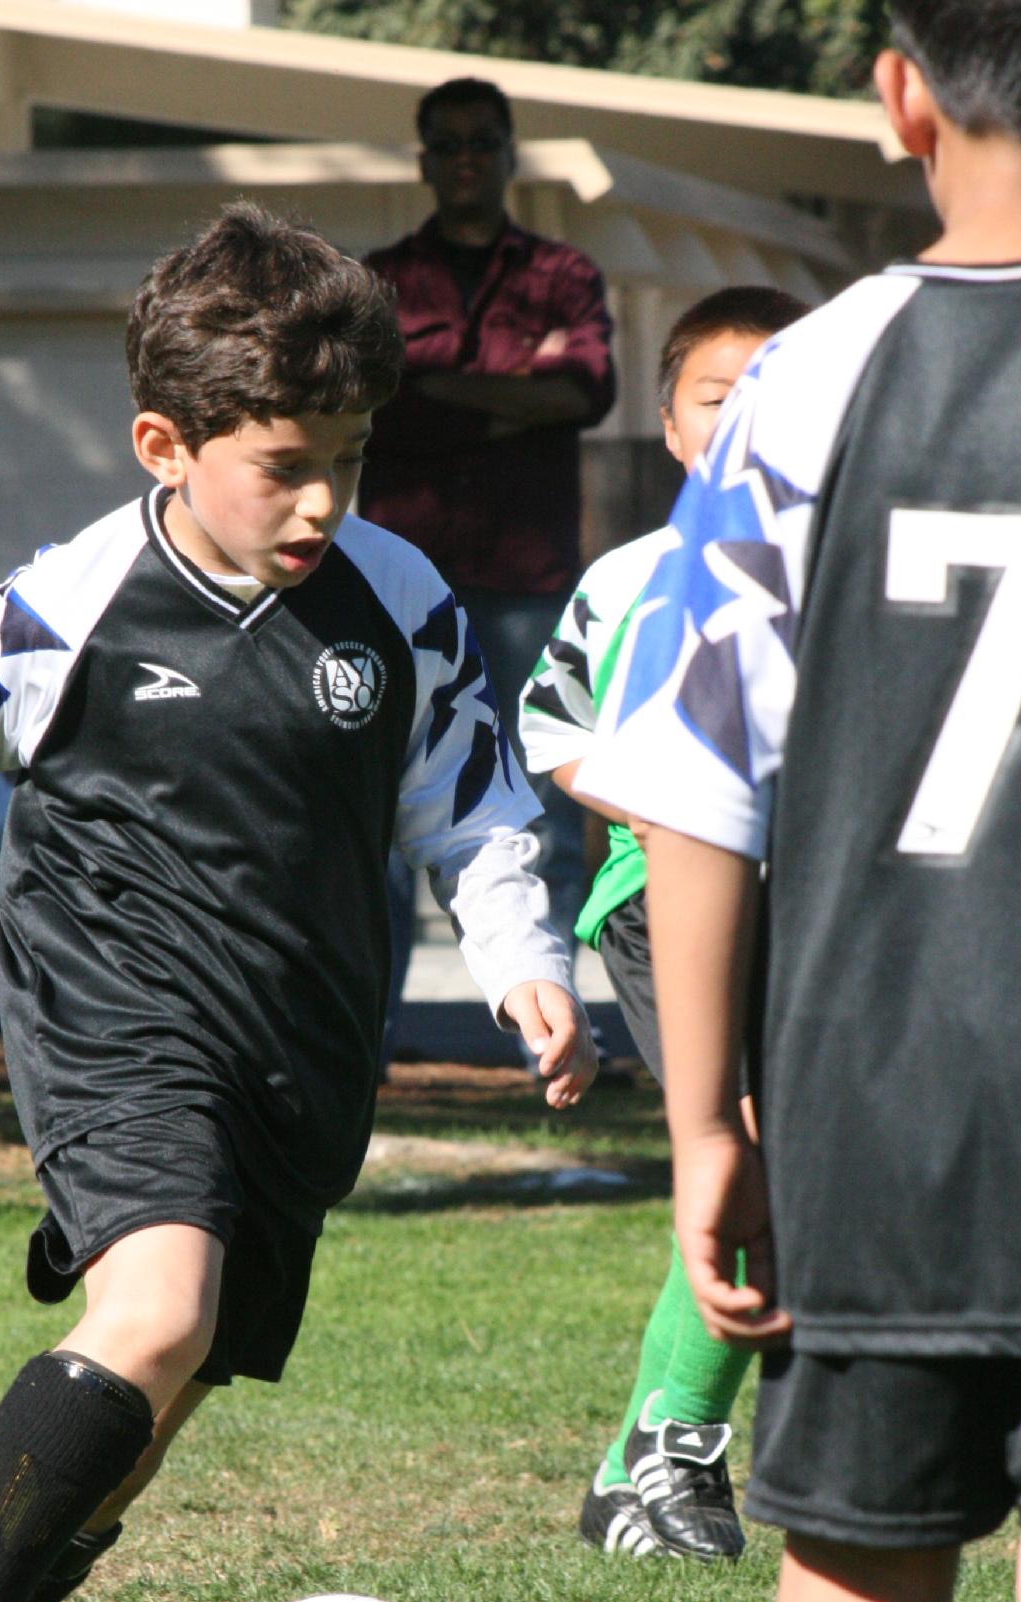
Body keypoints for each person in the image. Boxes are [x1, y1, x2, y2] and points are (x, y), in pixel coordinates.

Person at [0, 201, 596, 1602]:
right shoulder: (67, 600)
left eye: (351, 461)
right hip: (112, 1000)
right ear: (165, 444)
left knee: (156, 1402)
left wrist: (522, 956)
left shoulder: (398, 599)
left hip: (302, 1041)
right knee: (156, 1311)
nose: (323, 502)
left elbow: (473, 803)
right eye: (285, 465)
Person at [580, 2, 1021, 1602]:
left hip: (872, 1117)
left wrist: (708, 1118)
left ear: (899, 97)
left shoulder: (801, 384)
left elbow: (693, 777)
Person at [519, 286, 806, 1562]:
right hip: (663, 896)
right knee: (757, 1139)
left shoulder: (852, 561)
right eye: (717, 399)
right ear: (672, 426)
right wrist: (674, 805)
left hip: (816, 900)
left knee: (807, 1160)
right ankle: (668, 1446)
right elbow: (554, 730)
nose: (744, 422)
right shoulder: (636, 575)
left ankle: (643, 1462)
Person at [358, 76, 616, 1034]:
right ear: (424, 160)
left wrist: (436, 389)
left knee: (540, 807)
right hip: (400, 583)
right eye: (449, 143)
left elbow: (586, 391)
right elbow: (376, 404)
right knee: (377, 809)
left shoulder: (564, 274)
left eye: (482, 141)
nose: (466, 158)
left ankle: (550, 1033)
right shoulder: (379, 282)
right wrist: (515, 393)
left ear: (509, 154)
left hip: (526, 581)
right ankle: (372, 1045)